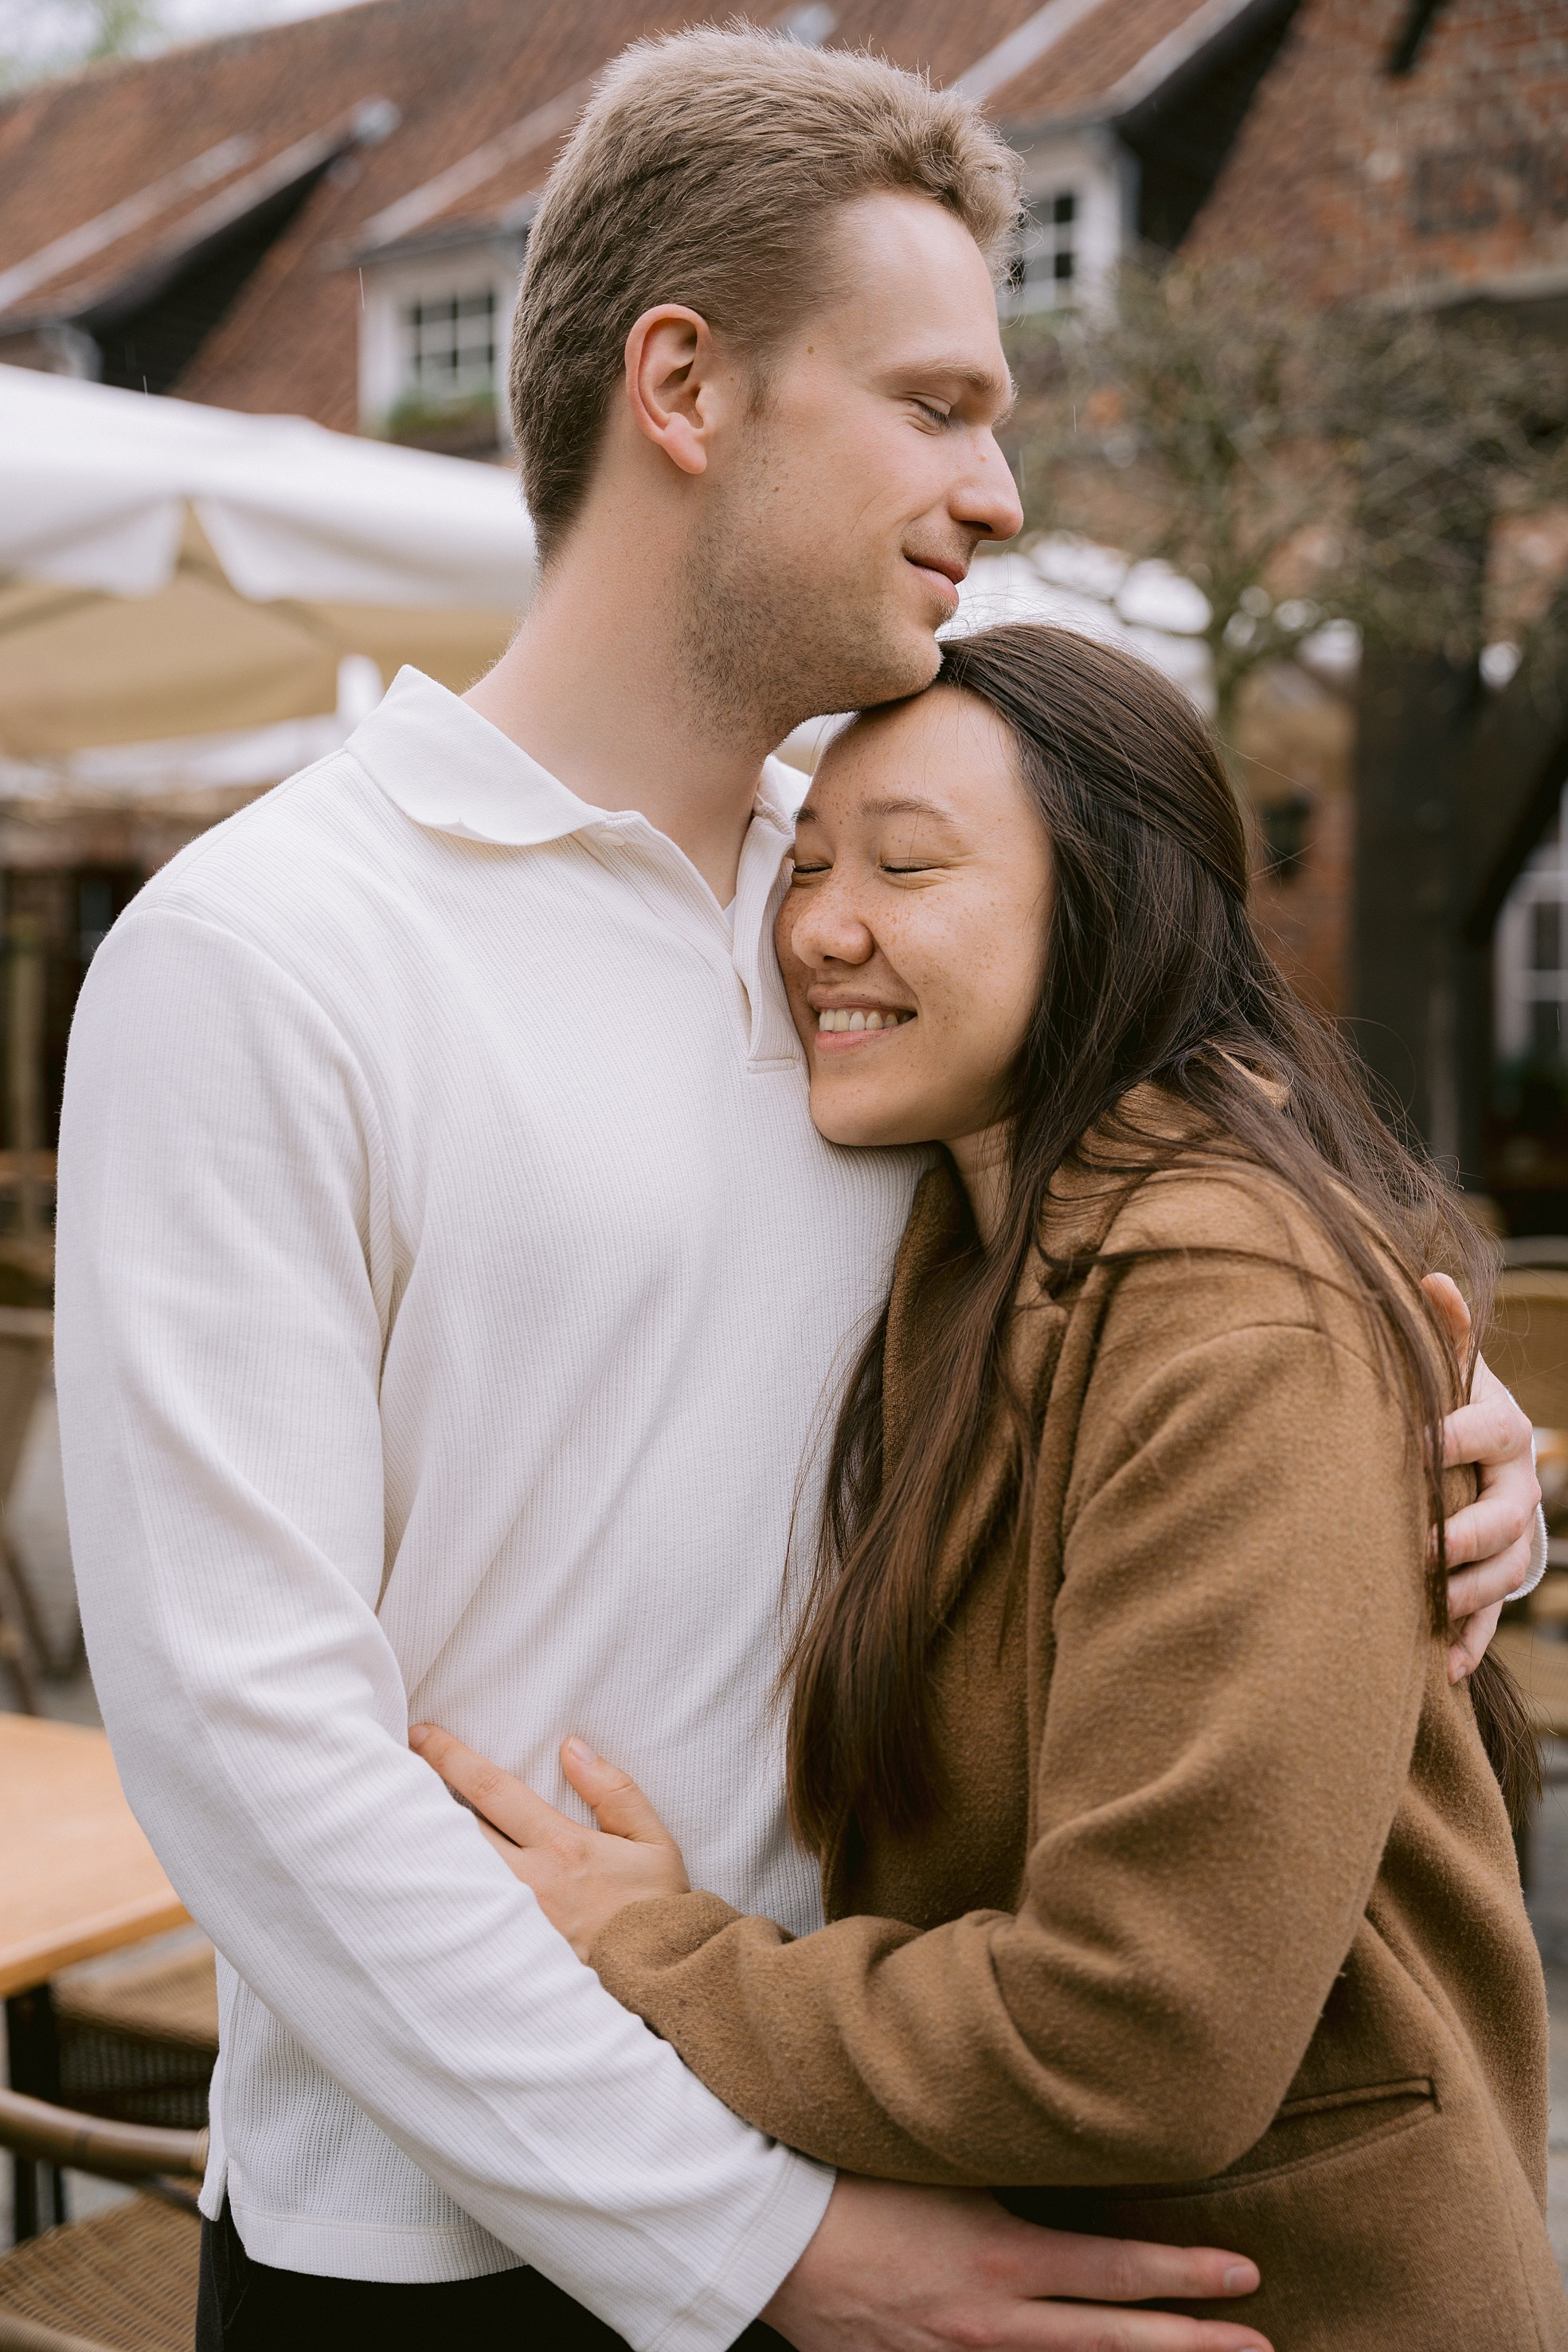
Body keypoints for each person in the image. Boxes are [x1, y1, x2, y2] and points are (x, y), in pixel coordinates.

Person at [55, 29, 1539, 2352]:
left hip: (911, 2165)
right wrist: (744, 2242)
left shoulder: (889, 948)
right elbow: (253, 1749)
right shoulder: (269, 951)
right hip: (469, 2255)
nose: (1002, 489)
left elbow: (1154, 1317)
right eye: (940, 403)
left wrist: (1445, 1467)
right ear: (685, 385)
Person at [415, 621, 1568, 2352]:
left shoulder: (1221, 1296)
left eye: (906, 865)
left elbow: (1140, 2026)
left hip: (1290, 2295)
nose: (818, 925)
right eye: (799, 867)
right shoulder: (958, 1230)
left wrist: (660, 1956)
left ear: (1111, 901)